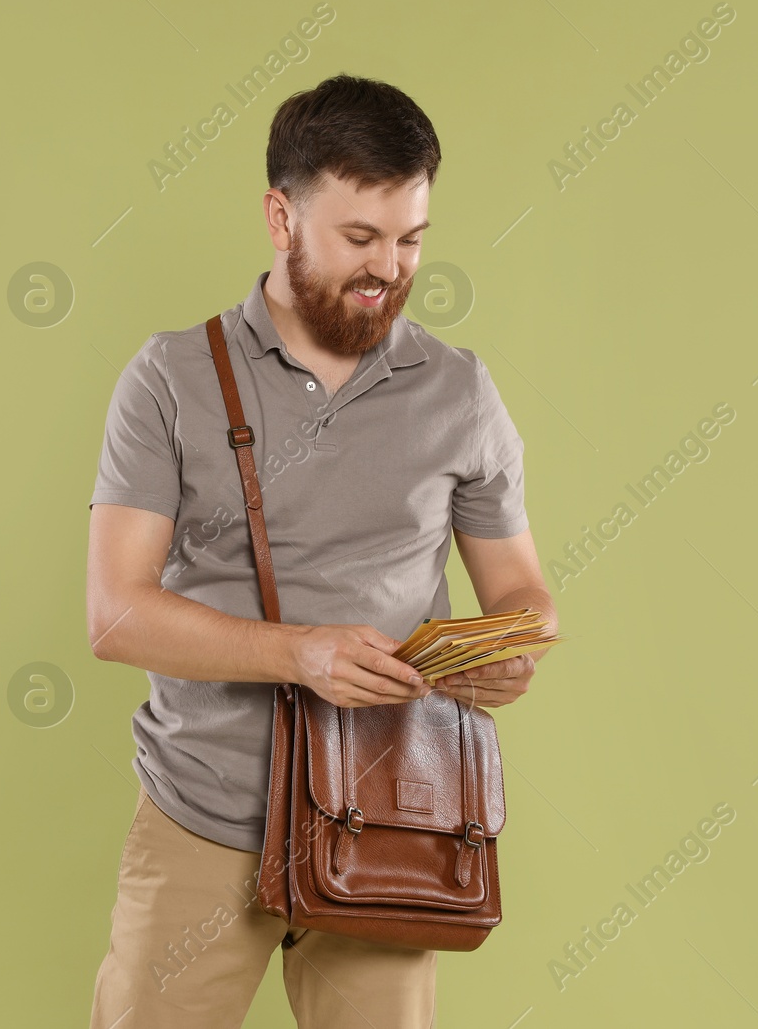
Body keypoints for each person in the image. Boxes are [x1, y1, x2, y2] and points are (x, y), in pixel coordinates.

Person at [85, 73, 557, 1029]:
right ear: (280, 216)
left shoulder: (460, 392)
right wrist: (300, 654)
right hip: (204, 817)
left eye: (410, 238)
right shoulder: (171, 379)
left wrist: (505, 653)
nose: (388, 265)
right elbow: (116, 612)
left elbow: (523, 594)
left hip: (392, 815)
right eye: (359, 238)